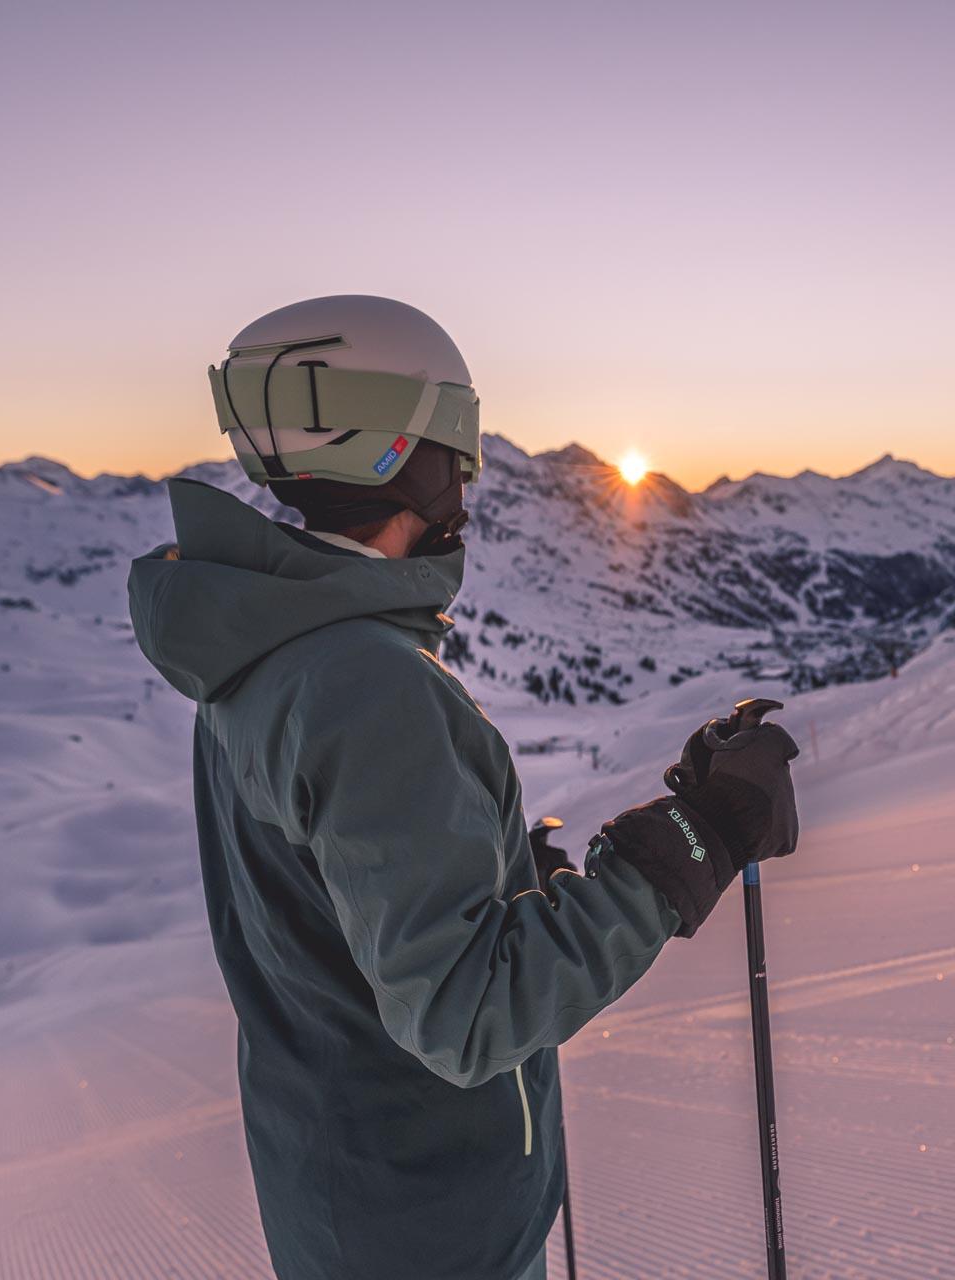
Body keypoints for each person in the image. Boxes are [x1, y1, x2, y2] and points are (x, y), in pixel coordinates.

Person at [127, 295, 801, 1280]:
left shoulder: (259, 648)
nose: (471, 469)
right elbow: (466, 1012)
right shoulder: (365, 683)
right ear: (410, 448)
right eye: (458, 434)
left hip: (346, 1196)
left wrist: (480, 877)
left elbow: (331, 902)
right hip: (434, 1226)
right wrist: (698, 837)